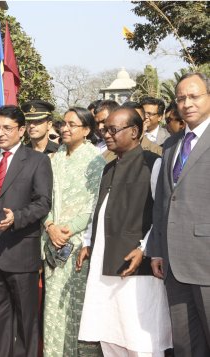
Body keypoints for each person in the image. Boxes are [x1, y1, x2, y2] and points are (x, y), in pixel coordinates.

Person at [78, 107, 172, 356]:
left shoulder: (153, 163)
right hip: (104, 262)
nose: (106, 134)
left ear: (134, 132)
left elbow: (161, 214)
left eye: (112, 129)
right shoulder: (108, 168)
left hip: (137, 266)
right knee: (110, 337)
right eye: (104, 129)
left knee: (140, 339)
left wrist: (145, 248)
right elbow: (100, 211)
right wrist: (88, 242)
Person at [0, 105, 52, 357]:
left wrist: (18, 218)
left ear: (22, 130)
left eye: (7, 128)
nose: (0, 133)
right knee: (0, 320)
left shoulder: (38, 161)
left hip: (21, 251)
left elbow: (43, 202)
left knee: (27, 321)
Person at [146, 72, 210, 356]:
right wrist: (157, 250)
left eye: (194, 96)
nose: (187, 103)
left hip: (206, 260)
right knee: (185, 344)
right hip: (173, 263)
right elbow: (162, 201)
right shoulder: (171, 144)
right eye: (181, 98)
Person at [41, 107, 105, 357]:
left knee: (74, 309)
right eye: (63, 123)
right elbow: (43, 198)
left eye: (72, 124)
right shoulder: (54, 158)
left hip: (77, 244)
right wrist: (50, 226)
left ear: (87, 130)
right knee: (52, 308)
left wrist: (66, 231)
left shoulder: (95, 160)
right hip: (51, 242)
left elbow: (94, 205)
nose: (65, 129)